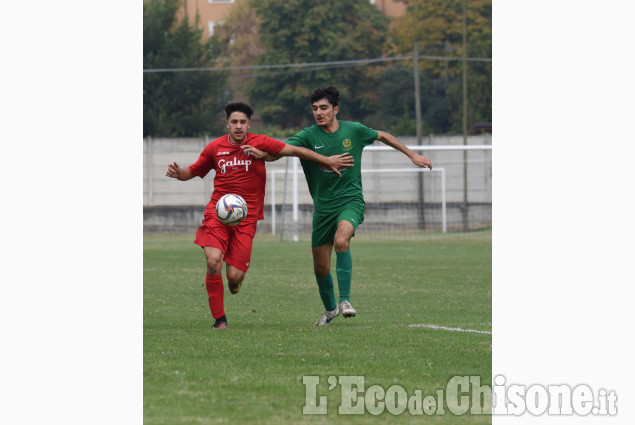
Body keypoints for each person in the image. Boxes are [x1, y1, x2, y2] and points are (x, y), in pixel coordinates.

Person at [243, 87, 432, 326]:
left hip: (350, 201)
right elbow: (281, 151)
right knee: (321, 267)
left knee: (342, 240)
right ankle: (330, 308)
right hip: (323, 209)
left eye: (323, 108)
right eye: (314, 109)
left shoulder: (354, 130)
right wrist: (262, 154)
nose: (319, 113)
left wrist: (412, 155)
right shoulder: (308, 135)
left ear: (335, 109)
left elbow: (383, 135)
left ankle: (345, 301)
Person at [166, 102, 353, 330]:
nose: (238, 126)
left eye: (243, 122)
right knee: (213, 261)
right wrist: (178, 174)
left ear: (249, 124)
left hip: (247, 220)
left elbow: (294, 150)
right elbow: (191, 172)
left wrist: (327, 160)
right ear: (227, 124)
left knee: (234, 278)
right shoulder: (214, 148)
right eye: (234, 122)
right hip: (218, 215)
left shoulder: (260, 142)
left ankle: (234, 283)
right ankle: (220, 320)